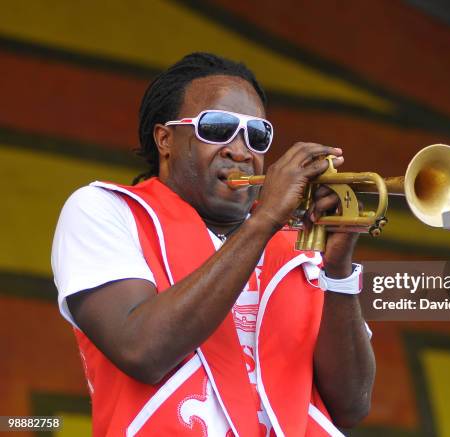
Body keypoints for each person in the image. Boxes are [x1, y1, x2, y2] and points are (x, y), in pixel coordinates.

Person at [51, 52, 375, 436]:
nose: (240, 151)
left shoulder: (296, 245)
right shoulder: (105, 211)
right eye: (217, 128)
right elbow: (142, 351)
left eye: (256, 135)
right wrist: (265, 220)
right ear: (165, 139)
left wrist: (336, 272)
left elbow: (351, 405)